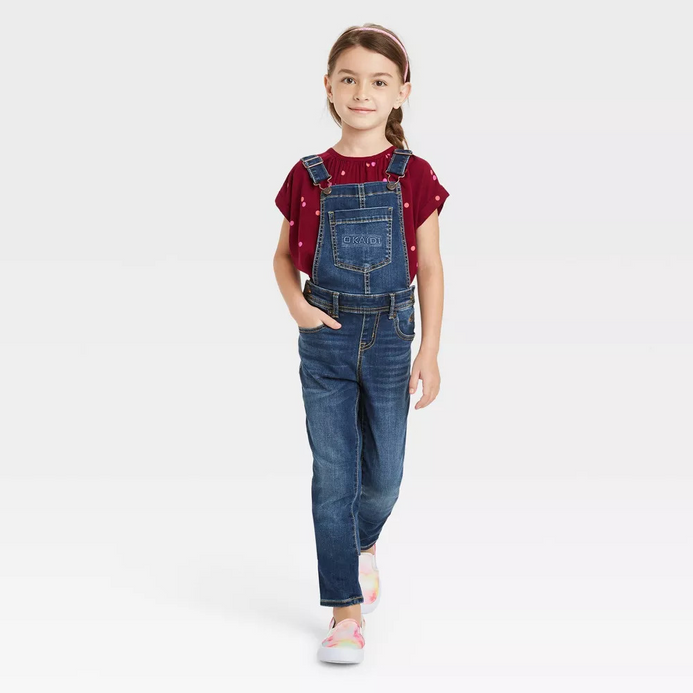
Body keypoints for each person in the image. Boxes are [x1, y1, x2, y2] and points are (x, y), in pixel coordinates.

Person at [273, 23, 450, 664]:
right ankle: (344, 614)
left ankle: (364, 542)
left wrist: (429, 351)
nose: (362, 93)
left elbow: (431, 267)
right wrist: (299, 308)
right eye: (348, 79)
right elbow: (282, 257)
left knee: (383, 478)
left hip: (392, 341)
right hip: (325, 341)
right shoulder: (308, 174)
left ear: (402, 92)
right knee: (334, 476)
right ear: (328, 86)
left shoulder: (414, 174)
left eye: (378, 81)